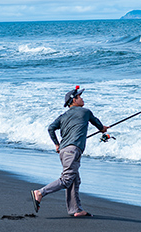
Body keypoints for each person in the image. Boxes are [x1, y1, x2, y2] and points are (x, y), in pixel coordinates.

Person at [30, 85, 108, 217]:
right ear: (74, 100)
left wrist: (57, 144)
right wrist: (103, 128)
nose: (82, 98)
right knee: (67, 179)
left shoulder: (63, 116)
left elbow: (50, 128)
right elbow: (98, 125)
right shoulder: (85, 112)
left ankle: (75, 210)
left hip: (64, 151)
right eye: (79, 96)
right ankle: (40, 193)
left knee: (74, 179)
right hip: (73, 151)